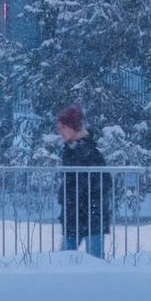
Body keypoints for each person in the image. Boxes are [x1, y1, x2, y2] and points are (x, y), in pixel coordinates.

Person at [55, 105, 111, 258]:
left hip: (90, 214)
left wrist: (77, 193)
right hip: (75, 213)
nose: (60, 131)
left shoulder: (90, 153)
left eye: (63, 127)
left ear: (73, 127)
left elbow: (103, 182)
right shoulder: (70, 150)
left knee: (92, 258)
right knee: (65, 258)